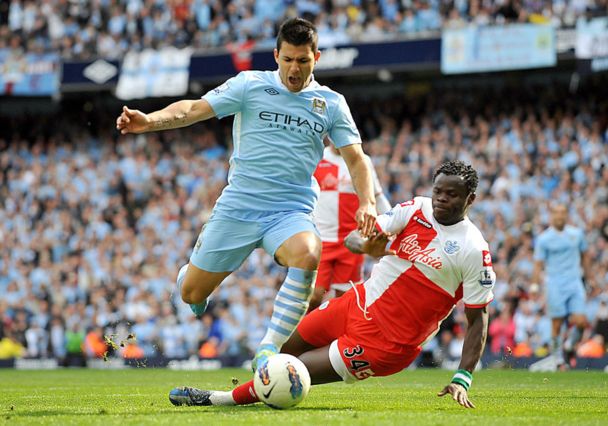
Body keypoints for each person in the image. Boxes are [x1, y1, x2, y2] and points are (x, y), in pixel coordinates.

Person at [115, 18, 377, 369]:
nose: (294, 69)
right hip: (239, 206)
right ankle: (188, 277)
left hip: (290, 209)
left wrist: (368, 203)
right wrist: (149, 121)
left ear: (317, 56)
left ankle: (269, 350)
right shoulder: (250, 85)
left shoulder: (330, 103)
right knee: (191, 294)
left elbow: (357, 160)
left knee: (308, 253)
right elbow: (193, 109)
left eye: (303, 60)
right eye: (287, 60)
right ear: (276, 55)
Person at [169, 160, 495, 409]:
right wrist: (365, 243)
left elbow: (477, 319)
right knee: (279, 353)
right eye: (438, 191)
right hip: (354, 304)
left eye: (451, 195)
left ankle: (217, 399)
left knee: (291, 371)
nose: (440, 199)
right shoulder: (416, 208)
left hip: (386, 343)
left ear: (470, 199)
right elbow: (359, 236)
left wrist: (462, 376)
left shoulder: (473, 250)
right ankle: (256, 387)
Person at [310, 141, 391, 311]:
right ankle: (303, 334)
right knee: (314, 295)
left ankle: (336, 337)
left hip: (351, 241)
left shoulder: (362, 160)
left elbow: (377, 195)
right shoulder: (317, 157)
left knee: (345, 299)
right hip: (321, 239)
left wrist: (392, 220)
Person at [531, 203, 589, 369]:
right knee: (557, 323)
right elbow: (538, 264)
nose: (560, 216)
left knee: (581, 321)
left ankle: (569, 345)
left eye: (563, 213)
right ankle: (558, 359)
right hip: (555, 283)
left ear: (566, 215)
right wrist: (534, 285)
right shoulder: (544, 239)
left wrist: (590, 278)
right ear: (551, 216)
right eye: (556, 213)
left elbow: (585, 256)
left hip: (574, 281)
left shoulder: (576, 234)